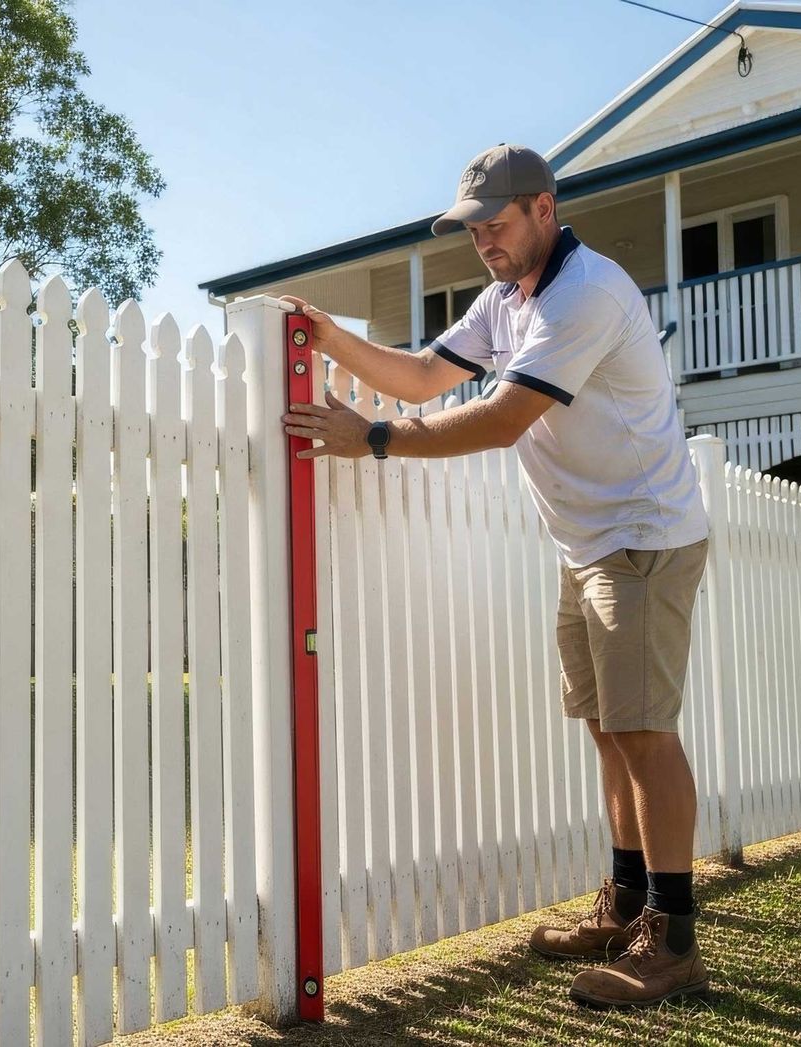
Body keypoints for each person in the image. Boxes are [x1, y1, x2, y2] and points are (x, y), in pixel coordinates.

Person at [279, 143, 711, 1009]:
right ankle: (626, 904)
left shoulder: (585, 294)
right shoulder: (506, 298)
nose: (483, 239)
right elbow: (427, 375)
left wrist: (373, 438)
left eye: (497, 223)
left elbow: (505, 418)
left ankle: (675, 942)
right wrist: (334, 337)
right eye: (473, 228)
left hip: (642, 534)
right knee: (606, 728)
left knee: (644, 732)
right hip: (588, 542)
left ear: (545, 208)